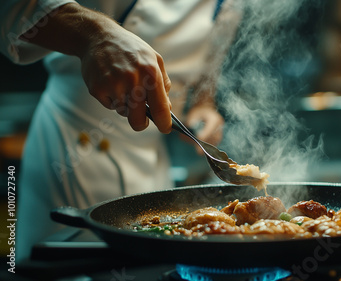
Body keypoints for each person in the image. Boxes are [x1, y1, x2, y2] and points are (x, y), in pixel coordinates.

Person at [0, 0, 233, 262]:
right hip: (73, 149)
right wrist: (95, 34)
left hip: (153, 164)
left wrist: (204, 104)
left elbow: (208, 70)